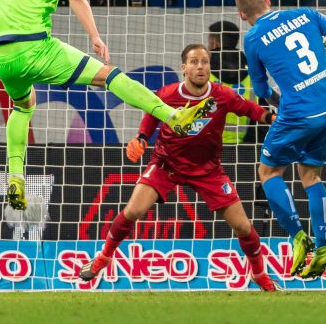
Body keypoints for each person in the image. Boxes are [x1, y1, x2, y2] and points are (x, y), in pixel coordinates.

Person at [0, 0, 213, 211]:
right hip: (34, 46)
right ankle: (174, 117)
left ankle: (15, 175)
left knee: (23, 105)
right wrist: (95, 36)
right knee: (107, 76)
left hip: (0, 54)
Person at [78, 44, 281, 292]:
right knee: (132, 211)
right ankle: (104, 257)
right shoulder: (168, 94)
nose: (200, 67)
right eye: (194, 62)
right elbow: (151, 115)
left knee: (243, 227)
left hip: (208, 170)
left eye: (204, 62)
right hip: (166, 164)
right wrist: (141, 138)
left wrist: (273, 118)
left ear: (210, 66)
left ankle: (260, 276)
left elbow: (251, 110)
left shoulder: (223, 95)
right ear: (184, 67)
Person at [235, 0, 326, 279]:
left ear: (242, 14)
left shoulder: (254, 38)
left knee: (269, 172)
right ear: (269, 0)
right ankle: (324, 249)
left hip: (298, 112)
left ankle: (299, 238)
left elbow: (260, 89)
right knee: (311, 175)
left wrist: (278, 103)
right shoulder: (304, 13)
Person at [207, 21, 255, 145]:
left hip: (209, 144)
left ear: (214, 42)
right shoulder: (252, 71)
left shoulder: (203, 72)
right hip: (247, 145)